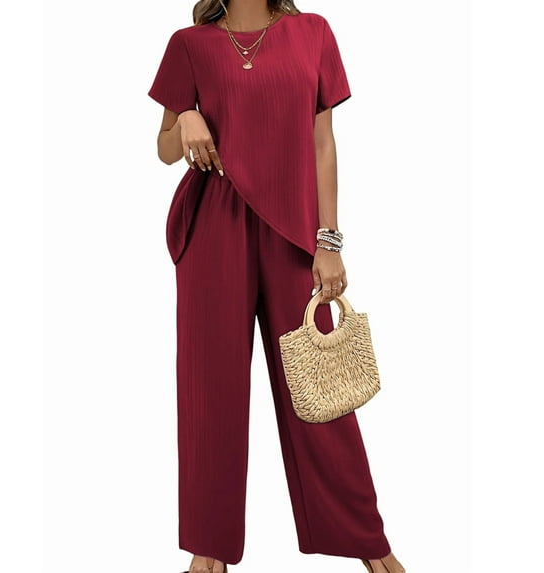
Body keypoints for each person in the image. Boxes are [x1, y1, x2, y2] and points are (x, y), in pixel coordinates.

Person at [147, 1, 406, 572]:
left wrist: (328, 241)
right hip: (213, 226)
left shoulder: (312, 32)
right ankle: (208, 548)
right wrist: (184, 117)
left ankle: (365, 537)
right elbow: (164, 150)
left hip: (294, 232)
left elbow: (323, 141)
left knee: (319, 386)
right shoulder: (190, 44)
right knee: (210, 390)